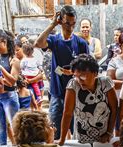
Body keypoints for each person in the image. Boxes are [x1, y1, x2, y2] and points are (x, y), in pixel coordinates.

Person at [35, 5, 89, 139]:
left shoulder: (81, 43)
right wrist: (52, 24)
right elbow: (38, 43)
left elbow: (88, 70)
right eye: (66, 23)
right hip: (57, 94)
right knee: (55, 131)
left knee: (77, 132)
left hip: (77, 94)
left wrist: (74, 73)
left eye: (73, 24)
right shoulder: (55, 40)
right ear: (60, 22)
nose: (70, 27)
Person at [58, 54, 117, 145]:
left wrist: (109, 133)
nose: (79, 81)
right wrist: (62, 140)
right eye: (76, 76)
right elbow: (67, 113)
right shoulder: (73, 85)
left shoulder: (105, 83)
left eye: (83, 77)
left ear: (95, 73)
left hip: (104, 138)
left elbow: (114, 109)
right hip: (81, 138)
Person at [0, 29, 20, 145]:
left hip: (9, 97)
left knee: (14, 127)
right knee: (1, 126)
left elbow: (12, 82)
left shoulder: (14, 60)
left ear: (4, 42)